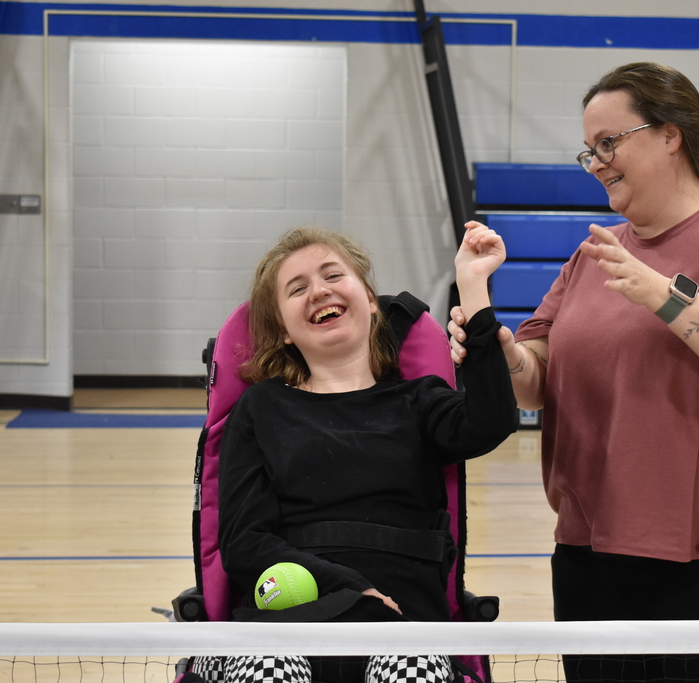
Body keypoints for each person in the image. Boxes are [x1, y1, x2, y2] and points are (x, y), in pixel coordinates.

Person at [449, 62, 699, 683]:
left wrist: (664, 296)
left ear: (671, 134)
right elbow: (536, 379)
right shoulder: (593, 254)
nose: (597, 163)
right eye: (588, 151)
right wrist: (500, 349)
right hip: (593, 553)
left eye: (609, 143)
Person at [211, 226, 517, 683]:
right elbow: (245, 543)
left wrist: (472, 287)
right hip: (291, 621)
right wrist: (352, 588)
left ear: (371, 299)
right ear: (284, 331)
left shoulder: (420, 401)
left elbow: (492, 420)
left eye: (333, 275)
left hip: (405, 622)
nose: (319, 291)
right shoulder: (260, 408)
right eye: (297, 289)